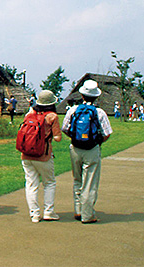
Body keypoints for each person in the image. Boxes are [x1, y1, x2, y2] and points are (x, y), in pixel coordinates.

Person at [61, 79, 113, 224]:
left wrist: (75, 138)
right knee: (89, 182)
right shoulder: (99, 112)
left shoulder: (73, 110)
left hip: (75, 148)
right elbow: (107, 133)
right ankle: (87, 214)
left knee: (77, 179)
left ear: (82, 96)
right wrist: (97, 142)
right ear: (96, 97)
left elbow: (65, 128)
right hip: (92, 149)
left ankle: (78, 210)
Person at [20, 90, 62, 223]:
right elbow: (58, 138)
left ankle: (34, 214)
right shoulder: (52, 116)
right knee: (49, 182)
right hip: (43, 155)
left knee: (31, 184)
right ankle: (49, 211)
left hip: (26, 155)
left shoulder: (30, 114)